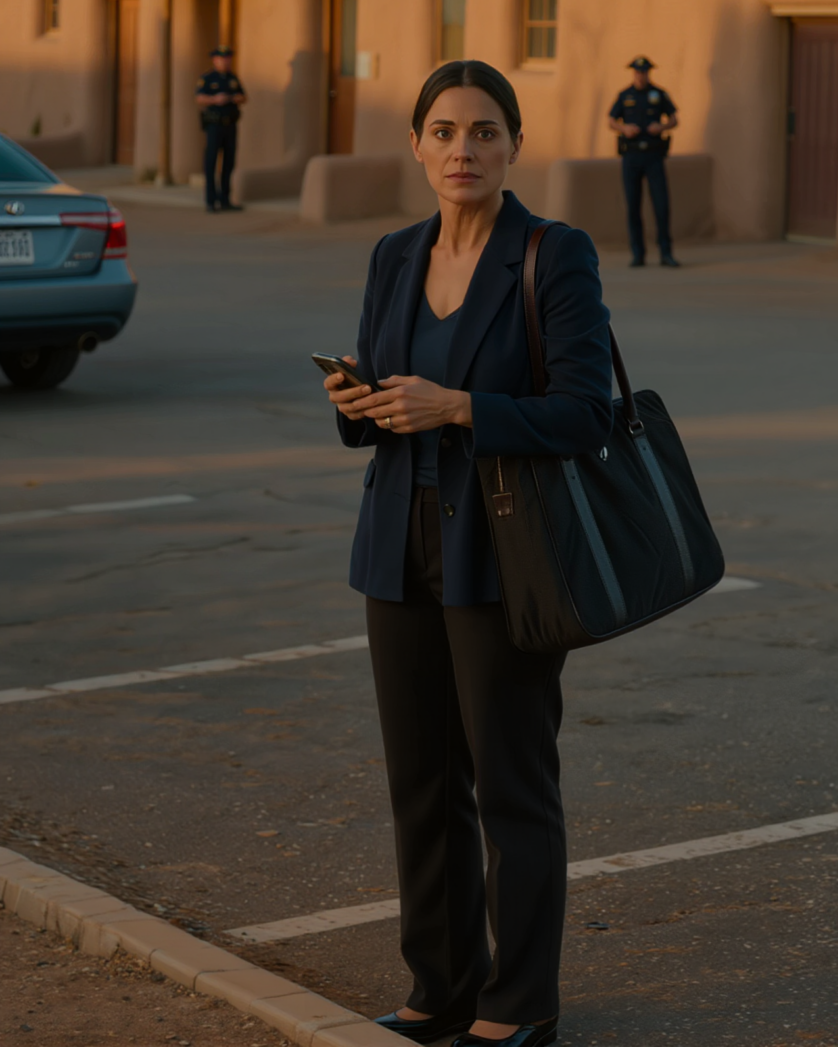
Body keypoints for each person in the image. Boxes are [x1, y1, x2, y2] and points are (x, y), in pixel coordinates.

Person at [322, 59, 612, 1047]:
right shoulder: (393, 256)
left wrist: (457, 407)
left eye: (484, 131)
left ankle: (518, 1001)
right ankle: (438, 987)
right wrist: (359, 407)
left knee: (510, 784)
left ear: (513, 146)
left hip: (505, 554)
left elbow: (584, 411)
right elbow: (378, 414)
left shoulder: (551, 253)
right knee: (421, 783)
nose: (462, 149)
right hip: (397, 550)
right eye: (443, 131)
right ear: (416, 144)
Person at [607, 55, 680, 267]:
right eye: (638, 73)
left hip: (654, 156)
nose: (641, 76)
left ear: (649, 73)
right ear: (634, 74)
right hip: (631, 157)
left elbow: (674, 118)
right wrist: (624, 128)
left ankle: (666, 252)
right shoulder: (625, 95)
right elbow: (611, 120)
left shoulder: (658, 94)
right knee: (633, 205)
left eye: (645, 72)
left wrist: (662, 127)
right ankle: (638, 254)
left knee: (661, 205)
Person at [195, 45, 246, 211]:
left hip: (230, 125)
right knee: (210, 162)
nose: (225, 61)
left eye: (228, 59)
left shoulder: (232, 78)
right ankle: (211, 201)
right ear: (215, 60)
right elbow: (199, 98)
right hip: (214, 126)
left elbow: (243, 96)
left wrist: (231, 98)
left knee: (229, 163)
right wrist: (215, 100)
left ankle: (225, 199)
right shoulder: (208, 78)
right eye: (222, 59)